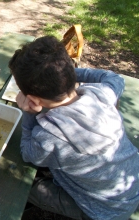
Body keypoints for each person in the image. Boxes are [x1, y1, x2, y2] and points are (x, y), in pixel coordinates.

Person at [8, 36, 139, 220]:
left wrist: (28, 112)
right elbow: (114, 77)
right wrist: (62, 77)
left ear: (34, 100)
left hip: (103, 211)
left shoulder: (49, 136)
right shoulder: (103, 93)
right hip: (131, 184)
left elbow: (28, 153)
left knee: (19, 182)